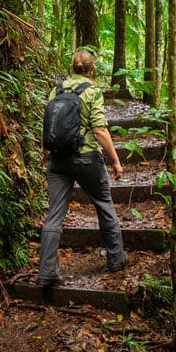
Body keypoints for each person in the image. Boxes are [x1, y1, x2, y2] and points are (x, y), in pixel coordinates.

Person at [38, 50, 127, 285]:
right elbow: (99, 129)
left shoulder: (55, 90)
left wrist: (46, 153)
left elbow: (48, 124)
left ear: (72, 67)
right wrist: (116, 160)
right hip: (86, 158)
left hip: (58, 160)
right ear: (91, 69)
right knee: (104, 204)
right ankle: (116, 259)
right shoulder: (92, 91)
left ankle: (46, 272)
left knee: (54, 214)